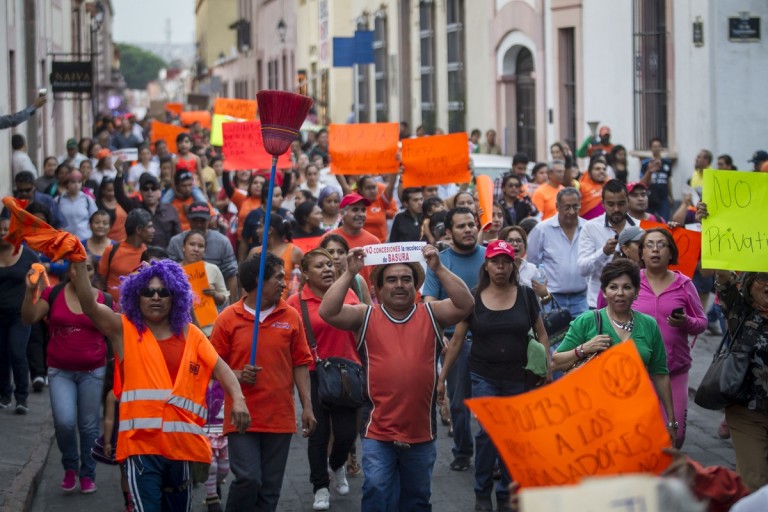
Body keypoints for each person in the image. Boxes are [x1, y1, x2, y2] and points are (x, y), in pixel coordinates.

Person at [68, 256, 250, 511]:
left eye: (164, 292)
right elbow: (89, 306)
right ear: (136, 296)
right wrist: (78, 261)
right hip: (141, 448)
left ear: (175, 297)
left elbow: (221, 369)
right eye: (148, 292)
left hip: (181, 448)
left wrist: (238, 400)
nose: (156, 297)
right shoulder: (123, 330)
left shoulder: (191, 334)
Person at [319, 244, 474, 511]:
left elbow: (466, 304)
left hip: (421, 432)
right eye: (391, 280)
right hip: (378, 431)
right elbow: (328, 312)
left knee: (416, 500)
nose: (399, 285)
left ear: (416, 285)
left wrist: (438, 268)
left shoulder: (431, 313)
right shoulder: (365, 315)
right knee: (377, 492)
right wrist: (349, 273)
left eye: (406, 279)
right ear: (378, 288)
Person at [438, 240, 548, 511]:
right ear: (486, 266)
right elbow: (457, 340)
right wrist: (442, 379)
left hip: (519, 377)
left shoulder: (526, 295)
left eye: (506, 262)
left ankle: (506, 494)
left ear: (513, 266)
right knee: (488, 434)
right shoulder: (473, 298)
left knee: (512, 439)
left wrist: (547, 370)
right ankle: (482, 491)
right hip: (484, 376)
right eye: (495, 262)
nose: (500, 267)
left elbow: (542, 334)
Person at [210, 253, 316, 512]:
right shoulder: (228, 318)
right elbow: (212, 367)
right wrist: (237, 374)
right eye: (278, 277)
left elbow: (301, 363)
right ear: (259, 280)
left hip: (279, 416)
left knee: (269, 490)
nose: (284, 283)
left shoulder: (291, 316)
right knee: (248, 478)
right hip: (241, 415)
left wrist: (307, 406)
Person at [552, 259, 678, 446]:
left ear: (636, 292)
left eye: (627, 287)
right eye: (613, 287)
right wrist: (584, 348)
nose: (620, 293)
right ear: (604, 292)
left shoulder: (649, 325)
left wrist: (671, 422)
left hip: (635, 417)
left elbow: (660, 374)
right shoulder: (587, 321)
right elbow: (556, 362)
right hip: (592, 419)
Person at [21, 256, 114, 494]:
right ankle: (70, 466)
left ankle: (88, 474)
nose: (82, 271)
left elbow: (115, 334)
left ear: (94, 272)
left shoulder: (104, 299)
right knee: (64, 422)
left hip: (93, 371)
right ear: (69, 270)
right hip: (60, 370)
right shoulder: (53, 293)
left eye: (88, 268)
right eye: (76, 267)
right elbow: (28, 318)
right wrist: (30, 291)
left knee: (88, 426)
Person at [697, 200, 768, 490]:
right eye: (762, 278)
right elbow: (723, 276)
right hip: (747, 411)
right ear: (749, 283)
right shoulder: (740, 311)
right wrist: (711, 226)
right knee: (755, 481)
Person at [286, 249, 362, 510]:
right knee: (317, 434)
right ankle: (320, 487)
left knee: (346, 433)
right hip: (314, 373)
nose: (328, 269)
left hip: (347, 373)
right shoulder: (295, 302)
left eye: (329, 264)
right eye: (319, 266)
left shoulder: (347, 293)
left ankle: (337, 465)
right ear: (306, 274)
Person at [423, 207, 486, 473]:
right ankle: (462, 452)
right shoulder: (439, 263)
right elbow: (429, 302)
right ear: (449, 232)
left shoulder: (490, 257)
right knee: (459, 404)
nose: (468, 230)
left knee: (491, 403)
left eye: (471, 224)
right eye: (461, 226)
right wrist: (439, 335)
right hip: (455, 344)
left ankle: (494, 455)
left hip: (489, 341)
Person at [634, 228, 706, 447]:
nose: (655, 250)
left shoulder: (684, 284)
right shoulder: (631, 282)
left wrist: (685, 322)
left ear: (671, 252)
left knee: (676, 435)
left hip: (674, 370)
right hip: (638, 372)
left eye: (661, 245)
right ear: (642, 253)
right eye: (649, 245)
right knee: (641, 436)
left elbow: (701, 323)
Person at [527, 188, 589, 317]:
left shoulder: (588, 228)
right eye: (567, 207)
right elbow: (531, 264)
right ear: (557, 206)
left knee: (584, 330)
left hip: (582, 299)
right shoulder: (542, 230)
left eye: (575, 207)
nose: (571, 212)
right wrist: (541, 292)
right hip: (552, 299)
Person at [0, 216, 40, 413]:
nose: (3, 233)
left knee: (17, 352)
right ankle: (4, 394)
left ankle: (22, 398)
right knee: (1, 355)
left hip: (20, 315)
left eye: (6, 229)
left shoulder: (28, 255)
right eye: (0, 229)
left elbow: (39, 281)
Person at [577, 179, 636, 308]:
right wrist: (603, 252)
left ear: (628, 201)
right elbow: (582, 269)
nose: (616, 209)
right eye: (611, 204)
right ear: (602, 204)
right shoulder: (590, 227)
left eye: (621, 204)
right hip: (598, 304)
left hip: (633, 303)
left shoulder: (639, 228)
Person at [167, 202, 239, 301]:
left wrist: (233, 304)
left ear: (209, 220)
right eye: (195, 220)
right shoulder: (175, 242)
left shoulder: (223, 242)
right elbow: (170, 274)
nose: (199, 224)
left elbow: (231, 274)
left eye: (203, 220)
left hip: (212, 304)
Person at [97, 209, 155, 304]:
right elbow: (101, 281)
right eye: (149, 227)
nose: (153, 230)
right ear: (139, 230)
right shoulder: (112, 250)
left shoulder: (149, 254)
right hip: (112, 308)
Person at [115, 171, 181, 250]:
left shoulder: (170, 209)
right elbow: (120, 196)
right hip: (142, 254)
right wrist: (119, 174)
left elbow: (178, 236)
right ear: (141, 192)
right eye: (145, 189)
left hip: (166, 254)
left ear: (159, 191)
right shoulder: (135, 207)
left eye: (153, 188)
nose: (150, 191)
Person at [180, 230, 229, 336]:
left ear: (205, 250)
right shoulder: (175, 270)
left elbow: (224, 298)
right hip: (182, 330)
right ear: (183, 247)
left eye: (200, 246)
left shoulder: (212, 269)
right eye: (192, 244)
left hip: (209, 331)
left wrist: (214, 294)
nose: (196, 249)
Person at [326, 193, 380, 286]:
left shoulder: (374, 242)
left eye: (363, 210)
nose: (361, 214)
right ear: (342, 213)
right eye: (355, 210)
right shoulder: (327, 239)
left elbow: (378, 275)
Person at [247, 214, 304, 299]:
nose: (257, 231)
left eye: (260, 226)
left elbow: (304, 283)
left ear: (270, 230)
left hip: (286, 304)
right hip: (258, 304)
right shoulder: (254, 252)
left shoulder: (295, 252)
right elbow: (246, 284)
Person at [320, 234, 373, 306]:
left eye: (341, 252)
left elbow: (371, 310)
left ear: (347, 255)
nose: (336, 257)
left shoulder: (358, 280)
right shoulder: (318, 280)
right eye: (330, 252)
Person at [341, 175, 397, 244]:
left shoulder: (382, 202)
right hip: (360, 245)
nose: (372, 191)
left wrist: (396, 172)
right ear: (360, 190)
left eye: (374, 187)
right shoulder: (354, 202)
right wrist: (336, 169)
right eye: (368, 188)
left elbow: (391, 185)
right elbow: (344, 186)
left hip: (381, 246)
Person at [55, 170, 98, 240]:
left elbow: (95, 218)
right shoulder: (58, 200)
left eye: (79, 182)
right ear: (67, 184)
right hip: (66, 239)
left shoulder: (88, 200)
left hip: (84, 239)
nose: (76, 185)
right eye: (73, 182)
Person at [640, 137, 674, 221]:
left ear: (661, 148)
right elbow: (642, 182)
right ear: (651, 148)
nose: (657, 148)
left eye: (659, 146)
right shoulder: (645, 163)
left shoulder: (667, 163)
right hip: (650, 197)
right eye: (654, 146)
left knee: (664, 220)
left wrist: (671, 196)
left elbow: (668, 180)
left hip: (663, 197)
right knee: (648, 221)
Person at [96, 178, 128, 243]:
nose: (112, 193)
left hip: (123, 241)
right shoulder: (97, 205)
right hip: (104, 242)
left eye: (114, 190)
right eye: (109, 190)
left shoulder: (123, 202)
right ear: (103, 190)